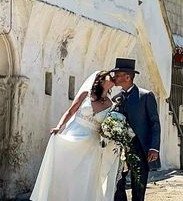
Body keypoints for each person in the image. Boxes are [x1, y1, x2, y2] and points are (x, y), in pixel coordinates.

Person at [30, 71, 119, 201]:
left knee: (85, 178)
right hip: (73, 137)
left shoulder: (111, 105)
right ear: (100, 79)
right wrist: (59, 127)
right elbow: (71, 111)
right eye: (109, 76)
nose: (113, 78)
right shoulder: (86, 94)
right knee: (67, 174)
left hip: (91, 145)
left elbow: (106, 126)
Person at [112, 58, 161, 201]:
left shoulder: (145, 96)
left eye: (118, 75)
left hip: (141, 148)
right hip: (119, 150)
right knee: (117, 184)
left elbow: (154, 124)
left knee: (138, 187)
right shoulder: (115, 98)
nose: (115, 78)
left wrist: (154, 147)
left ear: (127, 77)